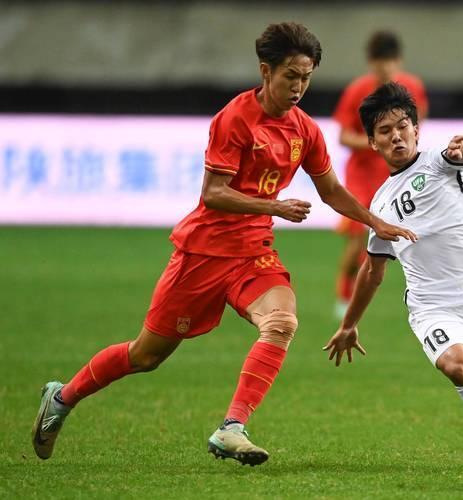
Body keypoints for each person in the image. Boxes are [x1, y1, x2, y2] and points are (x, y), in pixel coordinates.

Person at [32, 22, 415, 467]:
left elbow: (330, 190)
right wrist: (273, 206)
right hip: (204, 253)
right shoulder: (235, 119)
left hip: (253, 253)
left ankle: (232, 426)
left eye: (306, 77)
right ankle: (62, 397)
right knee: (146, 355)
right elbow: (213, 193)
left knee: (281, 322)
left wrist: (374, 221)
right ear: (266, 71)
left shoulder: (304, 130)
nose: (298, 87)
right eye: (290, 76)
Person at [322, 83, 463, 473]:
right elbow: (373, 270)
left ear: (416, 129)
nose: (396, 136)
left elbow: (462, 154)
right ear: (372, 142)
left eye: (402, 126)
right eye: (385, 131)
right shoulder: (379, 204)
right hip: (432, 308)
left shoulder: (439, 163)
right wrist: (349, 325)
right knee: (457, 366)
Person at [332, 30, 428, 318]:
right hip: (361, 176)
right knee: (358, 240)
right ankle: (344, 295)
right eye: (379, 63)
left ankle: (425, 296)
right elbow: (344, 136)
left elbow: (416, 127)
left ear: (398, 61)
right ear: (371, 63)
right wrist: (376, 142)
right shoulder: (357, 90)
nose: (385, 68)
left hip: (396, 175)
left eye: (390, 62)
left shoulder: (412, 87)